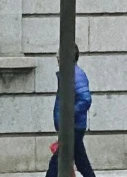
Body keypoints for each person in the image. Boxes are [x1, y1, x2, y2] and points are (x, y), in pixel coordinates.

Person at [47, 49, 95, 177]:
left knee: (58, 161)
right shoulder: (69, 74)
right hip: (72, 126)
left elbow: (85, 99)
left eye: (59, 54)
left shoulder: (75, 75)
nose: (56, 57)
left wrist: (68, 115)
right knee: (81, 162)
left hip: (72, 127)